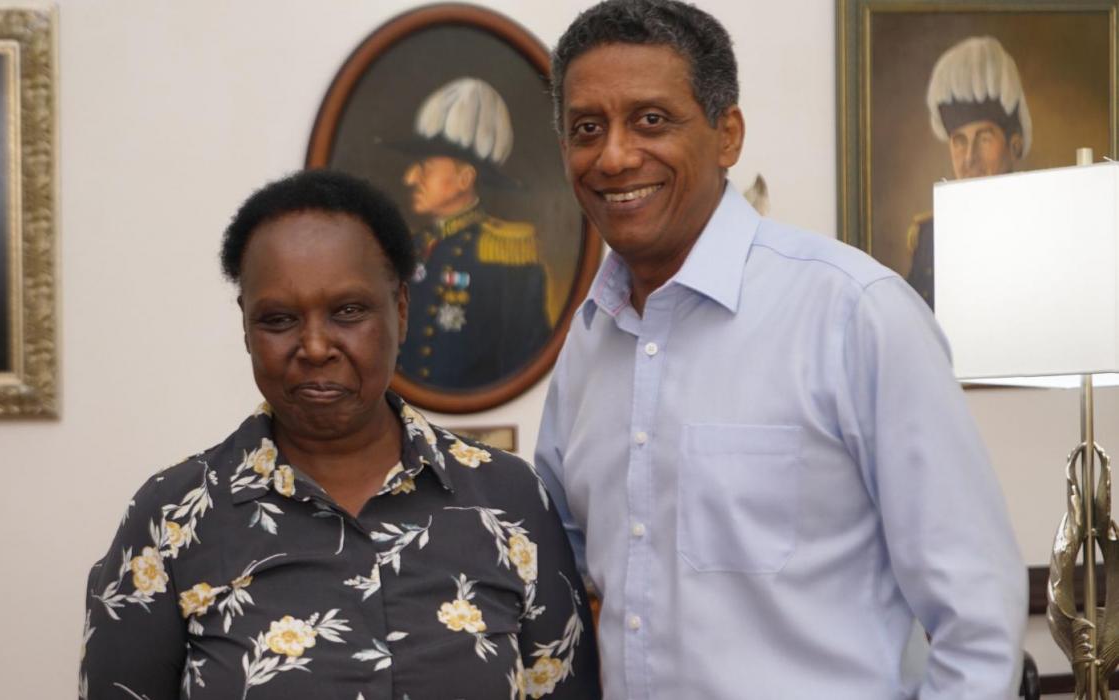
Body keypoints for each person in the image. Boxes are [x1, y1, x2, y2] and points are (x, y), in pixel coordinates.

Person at [534, 1, 1026, 697]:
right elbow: (571, 575)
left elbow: (978, 621)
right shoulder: (588, 343)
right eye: (587, 128)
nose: (614, 155)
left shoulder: (855, 314)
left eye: (651, 120)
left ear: (727, 133)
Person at [80, 170, 598, 699]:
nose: (314, 346)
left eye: (348, 312)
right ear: (246, 325)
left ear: (399, 307)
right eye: (279, 319)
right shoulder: (171, 518)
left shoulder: (509, 499)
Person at [394, 77, 551, 390]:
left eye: (425, 167)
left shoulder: (506, 253)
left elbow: (523, 361)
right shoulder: (412, 248)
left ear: (465, 178)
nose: (410, 178)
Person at [906, 36, 1031, 308]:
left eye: (984, 138)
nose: (969, 158)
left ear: (1015, 145)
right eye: (959, 141)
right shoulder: (929, 236)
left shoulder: (1041, 226)